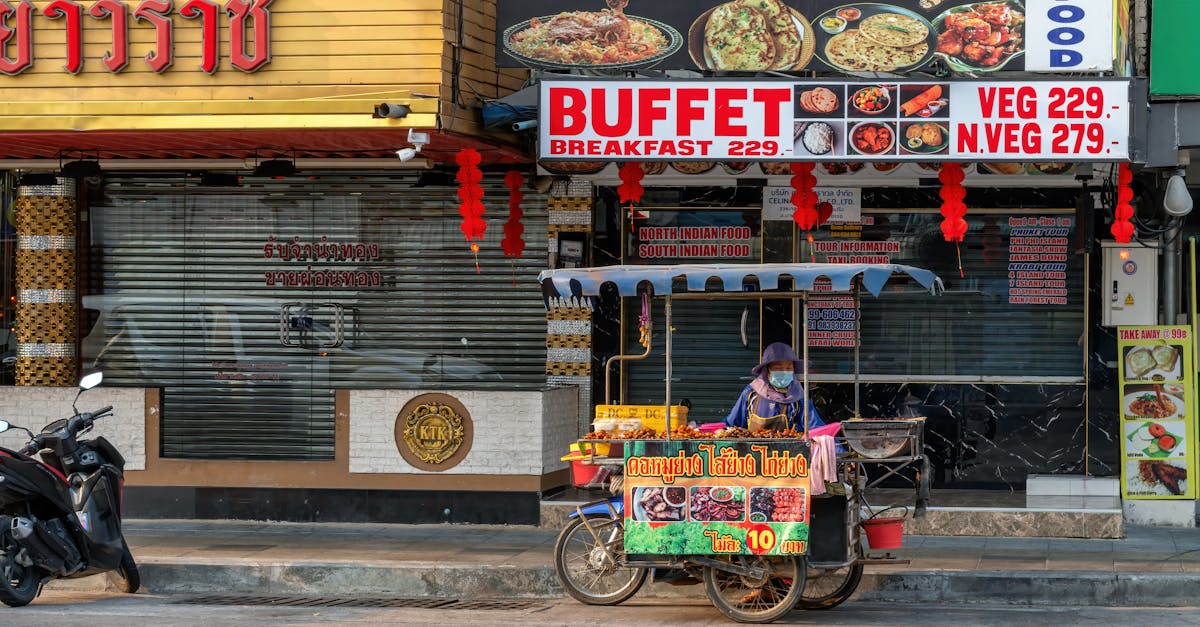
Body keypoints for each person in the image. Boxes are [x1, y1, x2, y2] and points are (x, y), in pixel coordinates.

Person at [724, 342, 826, 433]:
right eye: (778, 368)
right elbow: (731, 424)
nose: (784, 371)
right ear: (767, 370)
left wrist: (836, 449)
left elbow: (816, 428)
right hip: (754, 452)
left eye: (789, 367)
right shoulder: (751, 393)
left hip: (788, 453)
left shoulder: (798, 396)